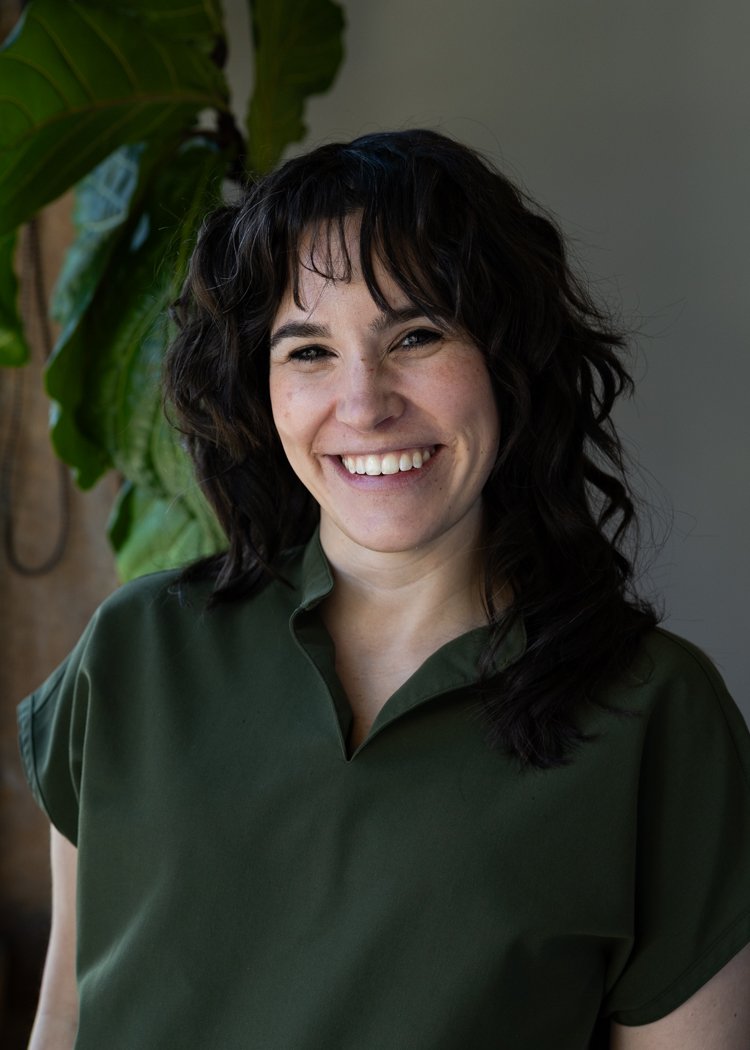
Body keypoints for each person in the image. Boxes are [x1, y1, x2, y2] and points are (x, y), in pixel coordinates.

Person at [18, 129, 750, 1050]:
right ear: (260, 389)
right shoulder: (136, 649)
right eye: (308, 351)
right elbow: (65, 1021)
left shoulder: (657, 716)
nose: (364, 404)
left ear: (508, 362)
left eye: (416, 335)